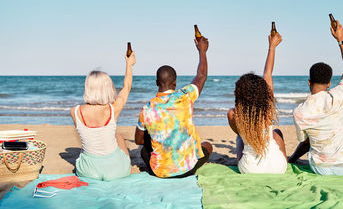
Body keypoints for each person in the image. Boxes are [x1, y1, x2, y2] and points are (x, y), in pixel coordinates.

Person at [288, 20, 343, 175]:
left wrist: (292, 159)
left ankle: (293, 159)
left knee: (312, 138)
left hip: (320, 169)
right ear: (329, 83)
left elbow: (305, 142)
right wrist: (341, 40)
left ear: (309, 82)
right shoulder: (338, 96)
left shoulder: (299, 112)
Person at [134, 36, 213, 178]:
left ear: (157, 82)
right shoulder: (185, 97)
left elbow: (138, 141)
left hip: (160, 172)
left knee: (144, 151)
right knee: (207, 146)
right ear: (175, 83)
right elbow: (202, 75)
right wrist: (202, 51)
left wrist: (158, 133)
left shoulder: (147, 109)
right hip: (187, 169)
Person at [70, 51, 136, 181]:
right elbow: (126, 87)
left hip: (88, 172)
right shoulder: (113, 109)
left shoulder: (75, 112)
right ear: (108, 88)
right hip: (116, 171)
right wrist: (129, 64)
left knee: (85, 147)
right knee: (118, 137)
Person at [227, 31, 287, 174]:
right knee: (276, 132)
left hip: (250, 169)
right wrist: (272, 47)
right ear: (263, 92)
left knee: (240, 138)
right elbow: (268, 73)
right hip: (278, 168)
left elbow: (241, 133)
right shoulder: (268, 107)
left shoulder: (234, 114)